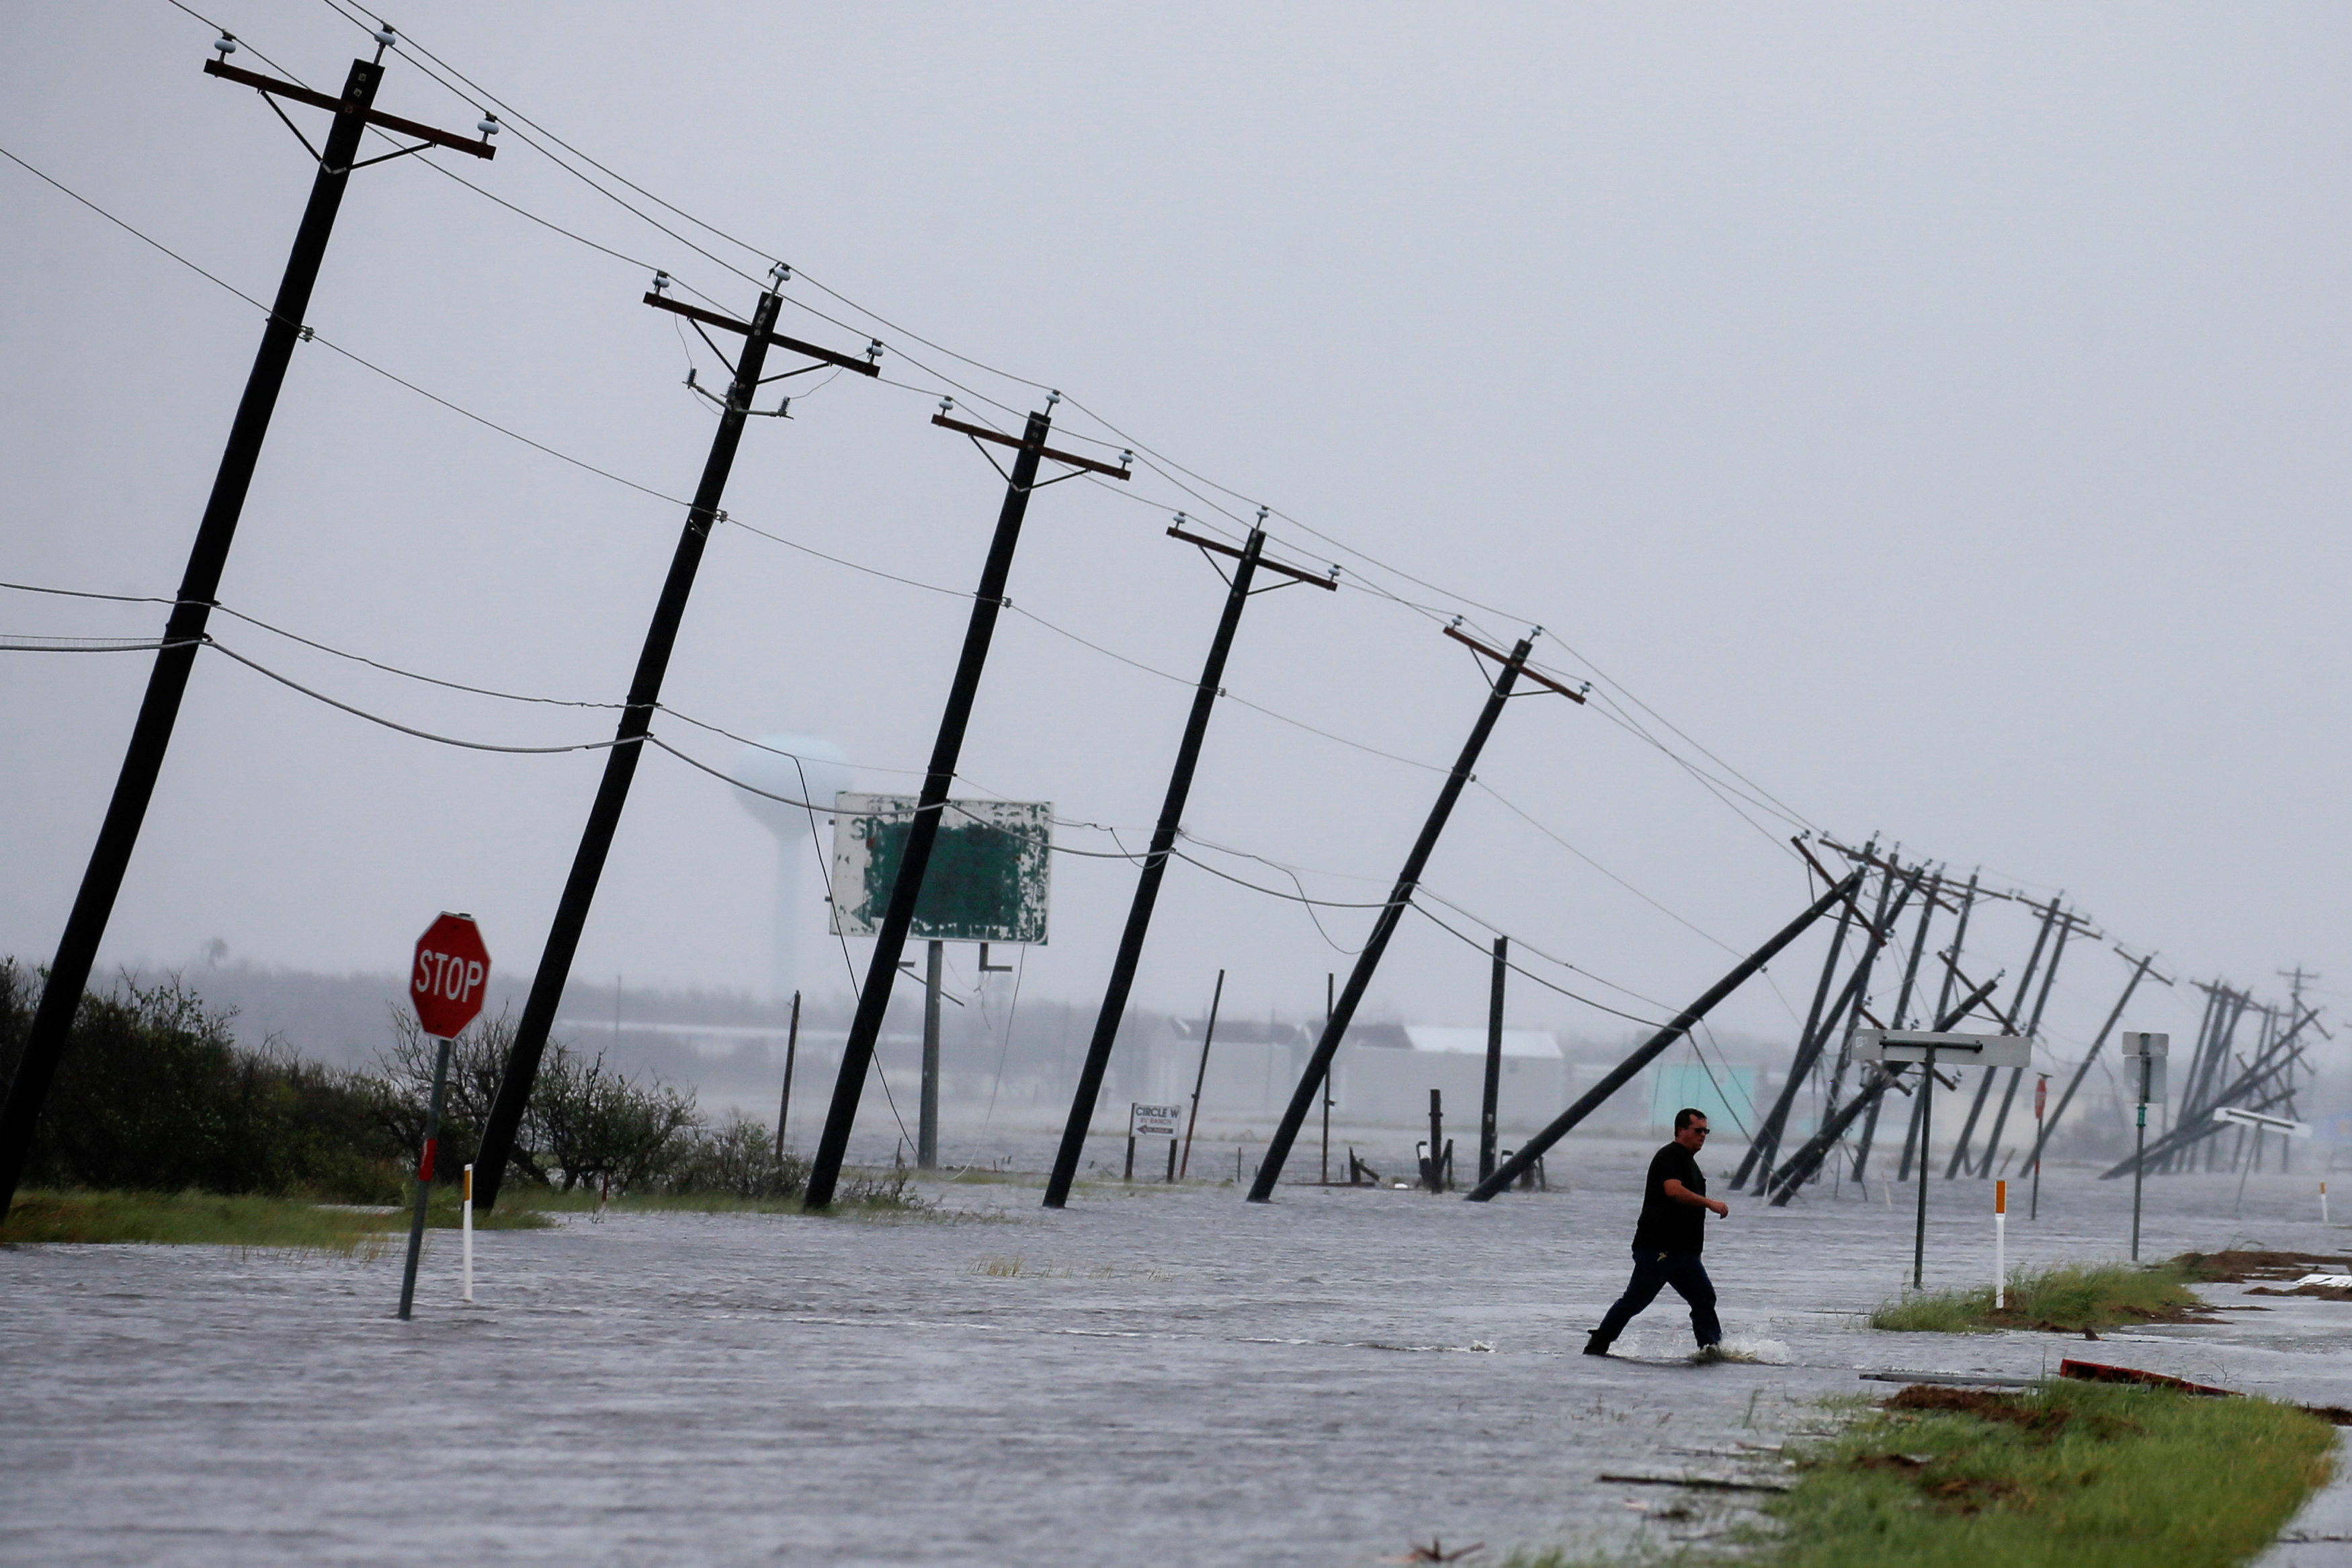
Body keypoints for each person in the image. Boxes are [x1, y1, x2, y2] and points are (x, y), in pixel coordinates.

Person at [1585, 1108, 1727, 1357]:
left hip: (1684, 1252)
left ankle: (1711, 1351)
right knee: (1635, 1301)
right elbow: (1673, 1190)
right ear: (1681, 1130)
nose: (1703, 1135)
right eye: (1698, 1130)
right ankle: (1598, 1345)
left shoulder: (1689, 1163)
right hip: (1659, 1249)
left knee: (1704, 1298)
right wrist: (1709, 1203)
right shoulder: (1669, 1156)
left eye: (1706, 1131)